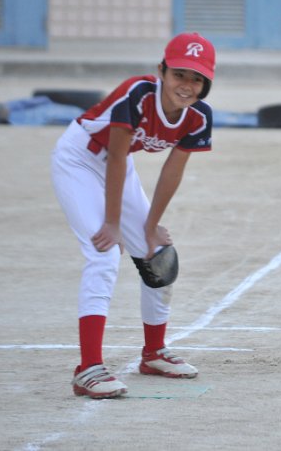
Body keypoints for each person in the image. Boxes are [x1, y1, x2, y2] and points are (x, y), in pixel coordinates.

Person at [50, 32, 216, 399]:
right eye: (179, 74)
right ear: (161, 71)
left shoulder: (199, 117)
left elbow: (172, 171)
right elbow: (115, 155)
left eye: (197, 79)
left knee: (158, 256)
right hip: (79, 159)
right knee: (104, 252)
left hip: (117, 165)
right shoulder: (137, 94)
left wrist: (151, 226)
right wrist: (112, 224)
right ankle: (88, 368)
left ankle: (153, 353)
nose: (186, 85)